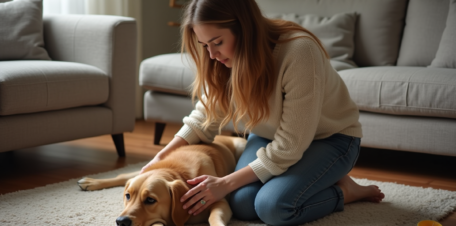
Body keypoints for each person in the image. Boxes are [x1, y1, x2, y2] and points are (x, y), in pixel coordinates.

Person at [141, 0, 385, 224]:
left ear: (245, 29)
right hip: (270, 137)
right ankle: (318, 178)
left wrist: (224, 183)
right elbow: (204, 117)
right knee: (242, 205)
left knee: (273, 208)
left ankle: (345, 191)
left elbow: (291, 145)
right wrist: (159, 159)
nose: (212, 55)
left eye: (217, 42)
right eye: (204, 45)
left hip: (331, 139)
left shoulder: (299, 52)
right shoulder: (223, 60)